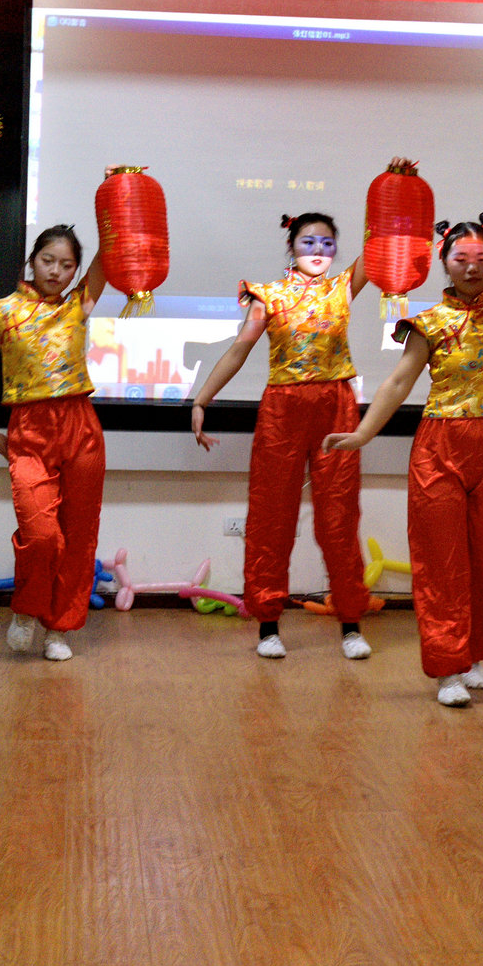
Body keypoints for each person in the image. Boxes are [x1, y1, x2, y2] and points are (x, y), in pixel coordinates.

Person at [325, 215, 483, 708]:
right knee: (441, 563)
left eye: (482, 258)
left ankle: (472, 653)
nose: (472, 268)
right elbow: (398, 382)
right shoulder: (429, 322)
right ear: (445, 264)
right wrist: (364, 432)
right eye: (461, 259)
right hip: (441, 449)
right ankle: (447, 667)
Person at [191, 211, 373, 660]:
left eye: (327, 243)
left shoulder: (342, 287)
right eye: (308, 242)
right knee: (271, 517)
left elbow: (378, 245)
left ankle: (351, 624)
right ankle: (268, 625)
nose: (318, 251)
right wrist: (201, 400)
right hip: (282, 410)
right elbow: (239, 350)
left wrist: (399, 187)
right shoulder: (267, 297)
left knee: (339, 517)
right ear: (291, 246)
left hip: (336, 406)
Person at [0, 224, 107, 662]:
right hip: (29, 430)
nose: (56, 271)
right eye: (48, 260)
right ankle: (27, 609)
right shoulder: (3, 312)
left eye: (67, 265)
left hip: (80, 427)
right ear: (32, 260)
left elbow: (106, 257)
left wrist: (116, 203)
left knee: (78, 535)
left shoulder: (78, 306)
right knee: (42, 535)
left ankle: (59, 629)